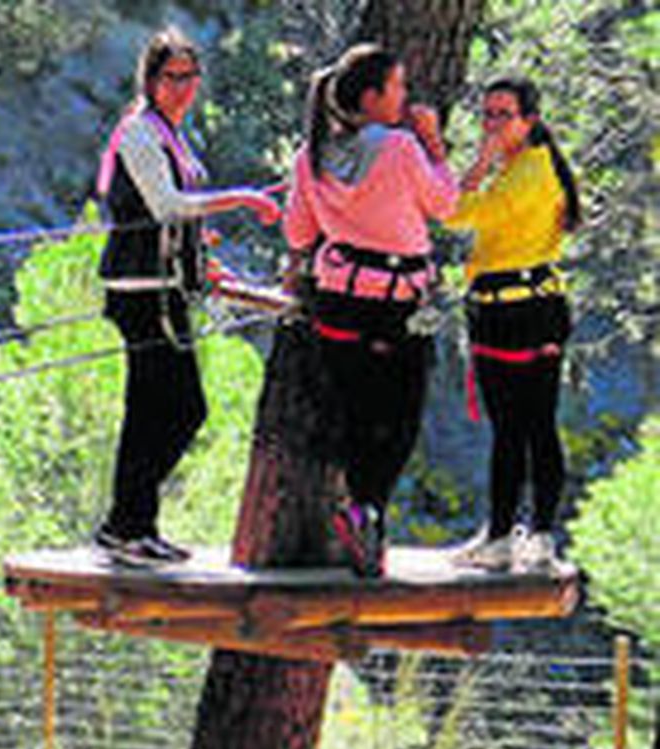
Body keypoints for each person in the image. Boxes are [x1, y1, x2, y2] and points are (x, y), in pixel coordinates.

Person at [93, 28, 280, 565]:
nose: (183, 87)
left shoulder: (168, 133)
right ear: (150, 81)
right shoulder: (139, 132)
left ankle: (132, 525)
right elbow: (167, 205)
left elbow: (179, 219)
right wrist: (241, 199)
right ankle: (126, 523)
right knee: (179, 409)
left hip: (165, 287)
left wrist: (200, 261)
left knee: (154, 410)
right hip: (143, 291)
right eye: (172, 77)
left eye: (190, 77)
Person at [284, 42, 458, 576]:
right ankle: (367, 508)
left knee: (356, 412)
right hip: (396, 302)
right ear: (371, 96)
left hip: (338, 300)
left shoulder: (311, 155)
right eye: (397, 86)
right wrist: (435, 146)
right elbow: (446, 206)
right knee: (400, 416)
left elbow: (298, 234)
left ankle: (363, 511)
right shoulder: (402, 147)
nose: (404, 96)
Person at [445, 76, 579, 572]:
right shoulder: (527, 166)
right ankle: (529, 536)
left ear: (530, 120)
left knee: (520, 428)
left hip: (514, 313)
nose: (492, 125)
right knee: (531, 426)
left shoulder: (527, 174)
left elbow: (455, 212)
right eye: (487, 114)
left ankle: (510, 537)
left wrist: (478, 164)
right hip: (529, 308)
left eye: (504, 115)